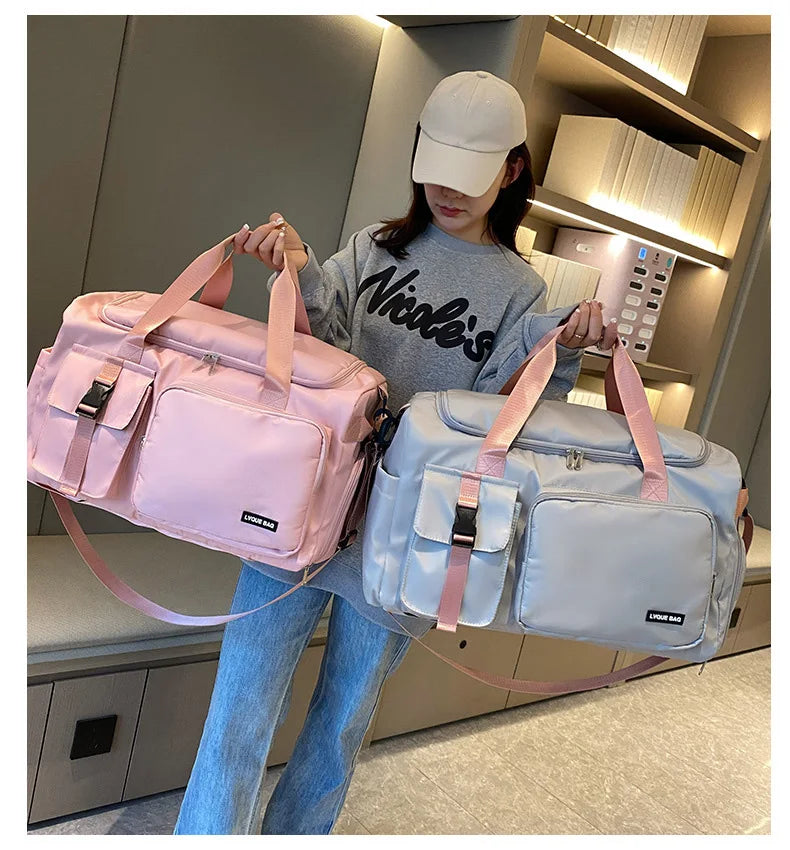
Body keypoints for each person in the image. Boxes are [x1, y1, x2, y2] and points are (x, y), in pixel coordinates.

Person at [173, 70, 618, 836]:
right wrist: (296, 265)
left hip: (404, 536)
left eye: (470, 174)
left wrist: (562, 347)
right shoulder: (373, 249)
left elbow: (509, 420)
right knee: (237, 714)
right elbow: (318, 343)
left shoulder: (520, 290)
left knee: (339, 729)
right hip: (301, 509)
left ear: (512, 171)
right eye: (436, 167)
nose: (448, 191)